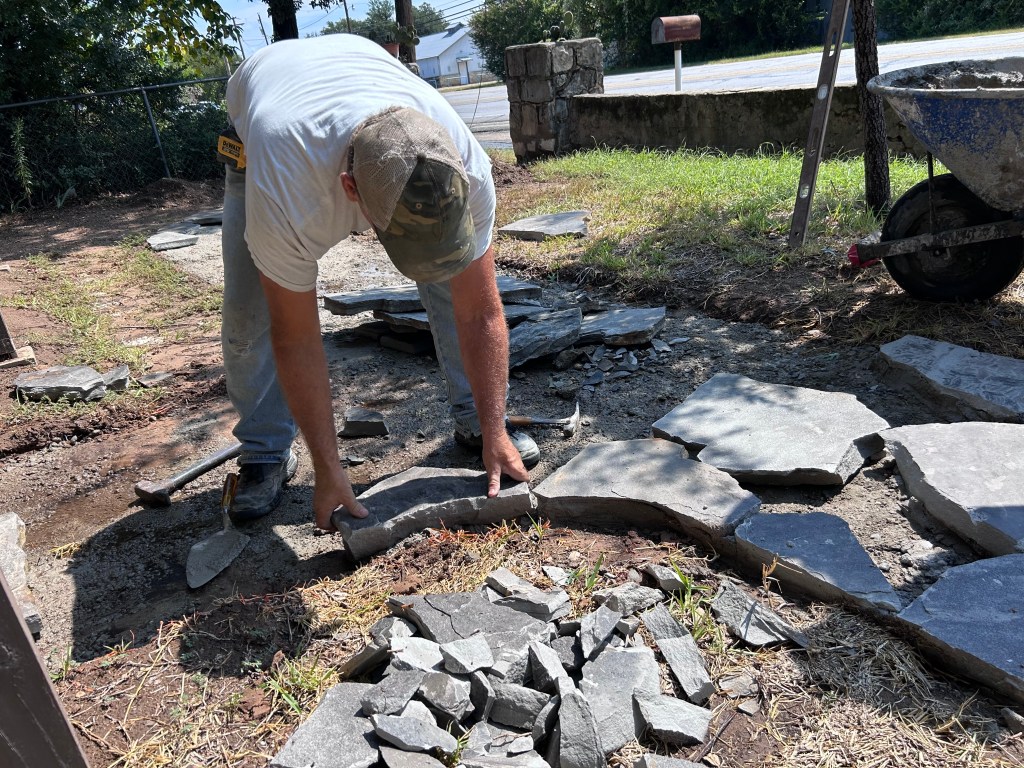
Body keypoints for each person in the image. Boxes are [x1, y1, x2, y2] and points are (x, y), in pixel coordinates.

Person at [220, 33, 538, 531]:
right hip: (264, 127)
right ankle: (264, 451)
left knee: (452, 273)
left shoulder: (467, 166)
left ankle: (478, 423)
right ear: (350, 191)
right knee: (250, 311)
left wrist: (497, 428)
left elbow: (480, 311)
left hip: (355, 77)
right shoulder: (285, 188)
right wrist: (329, 469)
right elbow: (296, 336)